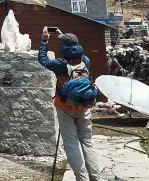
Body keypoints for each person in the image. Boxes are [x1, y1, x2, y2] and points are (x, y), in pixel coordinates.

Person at [39, 26, 102, 181]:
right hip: (84, 107)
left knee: (71, 143)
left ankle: (82, 178)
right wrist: (64, 38)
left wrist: (44, 41)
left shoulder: (59, 65)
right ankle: (96, 177)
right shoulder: (86, 61)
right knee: (87, 143)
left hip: (65, 108)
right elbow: (75, 52)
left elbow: (42, 59)